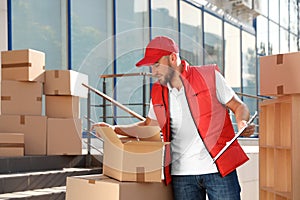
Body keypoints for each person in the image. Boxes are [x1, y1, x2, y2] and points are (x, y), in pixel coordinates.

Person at [93, 36, 255, 200]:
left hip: (218, 170)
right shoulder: (157, 92)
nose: (153, 72)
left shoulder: (209, 76)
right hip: (181, 176)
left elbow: (238, 106)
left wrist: (242, 122)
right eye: (151, 67)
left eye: (156, 64)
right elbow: (149, 126)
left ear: (172, 58)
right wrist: (114, 129)